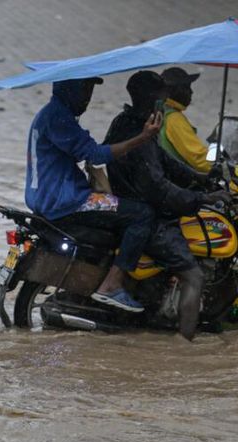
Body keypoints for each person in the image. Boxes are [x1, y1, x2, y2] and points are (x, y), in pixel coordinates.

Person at [103, 70, 231, 340]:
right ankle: (184, 343)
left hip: (132, 204)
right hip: (149, 215)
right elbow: (157, 186)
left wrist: (203, 180)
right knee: (193, 276)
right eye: (162, 96)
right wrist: (200, 198)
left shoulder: (127, 122)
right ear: (152, 97)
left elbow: (165, 162)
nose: (165, 100)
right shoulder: (141, 129)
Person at [26, 77, 162, 313]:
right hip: (66, 202)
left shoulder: (50, 113)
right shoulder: (59, 118)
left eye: (90, 90)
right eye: (85, 89)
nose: (88, 97)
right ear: (70, 89)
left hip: (43, 198)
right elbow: (95, 155)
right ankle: (111, 284)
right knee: (142, 214)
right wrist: (142, 138)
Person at [158, 67, 212, 174]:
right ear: (172, 91)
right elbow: (199, 159)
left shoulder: (160, 111)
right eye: (186, 87)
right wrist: (229, 169)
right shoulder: (174, 119)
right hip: (179, 183)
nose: (191, 92)